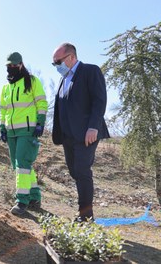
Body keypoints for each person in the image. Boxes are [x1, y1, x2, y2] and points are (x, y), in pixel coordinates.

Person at [51, 43, 110, 222]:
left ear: (71, 57)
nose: (56, 66)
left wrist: (93, 127)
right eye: (53, 63)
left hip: (86, 133)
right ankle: (84, 208)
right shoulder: (64, 79)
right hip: (68, 136)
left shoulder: (90, 71)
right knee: (75, 171)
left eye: (58, 61)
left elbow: (99, 100)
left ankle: (85, 216)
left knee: (82, 170)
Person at [0, 52, 48, 215]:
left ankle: (22, 201)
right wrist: (2, 127)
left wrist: (40, 122)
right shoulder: (6, 88)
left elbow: (41, 101)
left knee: (22, 164)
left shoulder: (32, 81)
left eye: (14, 65)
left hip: (28, 129)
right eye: (9, 66)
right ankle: (34, 197)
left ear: (21, 64)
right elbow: (3, 109)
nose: (11, 68)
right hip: (11, 131)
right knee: (21, 165)